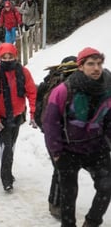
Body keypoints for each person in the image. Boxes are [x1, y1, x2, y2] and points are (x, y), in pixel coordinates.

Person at [43, 47, 111, 227]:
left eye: (99, 63)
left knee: (107, 186)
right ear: (80, 66)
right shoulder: (64, 90)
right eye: (90, 64)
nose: (96, 68)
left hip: (96, 148)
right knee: (69, 196)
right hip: (68, 150)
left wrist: (107, 143)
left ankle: (92, 222)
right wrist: (57, 153)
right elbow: (50, 123)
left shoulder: (108, 88)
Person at [0, 43, 37, 192]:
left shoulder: (23, 72)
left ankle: (8, 171)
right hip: (2, 118)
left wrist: (33, 113)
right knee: (6, 147)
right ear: (0, 58)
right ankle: (6, 178)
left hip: (17, 116)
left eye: (10, 56)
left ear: (15, 56)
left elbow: (32, 92)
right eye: (4, 57)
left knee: (11, 146)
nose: (7, 60)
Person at [35, 55, 78, 220]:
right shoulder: (57, 88)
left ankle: (59, 202)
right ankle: (55, 203)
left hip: (61, 135)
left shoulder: (50, 84)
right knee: (62, 169)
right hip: (57, 135)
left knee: (62, 169)